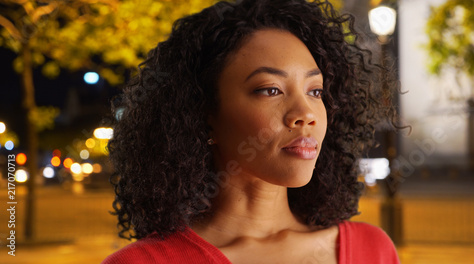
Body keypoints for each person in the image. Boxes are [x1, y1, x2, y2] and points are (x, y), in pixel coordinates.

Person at [103, 0, 401, 263]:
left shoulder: (371, 250)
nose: (306, 114)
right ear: (203, 114)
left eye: (315, 91)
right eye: (270, 90)